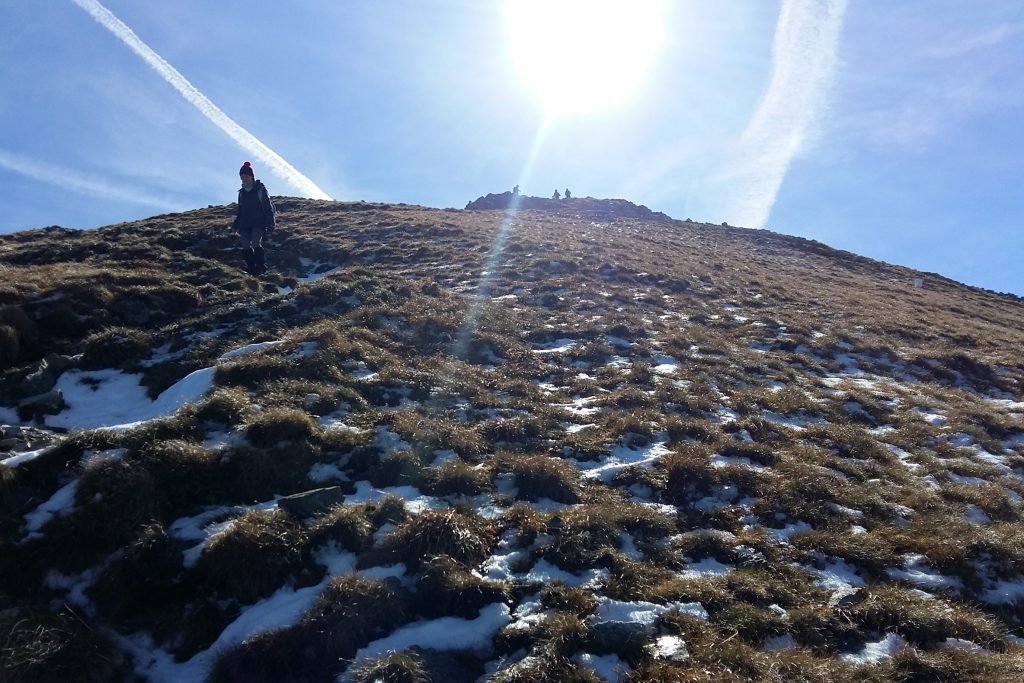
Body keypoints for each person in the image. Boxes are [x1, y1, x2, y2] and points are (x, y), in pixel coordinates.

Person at [231, 161, 275, 274]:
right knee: (245, 244)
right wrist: (235, 225)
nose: (244, 178)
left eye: (246, 176)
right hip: (244, 224)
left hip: (258, 222)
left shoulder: (260, 189)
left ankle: (261, 266)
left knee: (256, 242)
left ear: (251, 176)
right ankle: (251, 268)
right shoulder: (241, 193)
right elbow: (240, 211)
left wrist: (271, 223)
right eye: (242, 177)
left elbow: (267, 206)